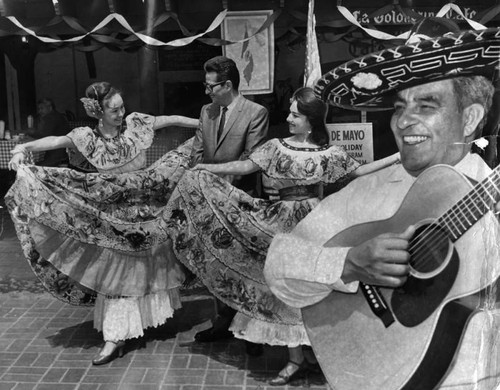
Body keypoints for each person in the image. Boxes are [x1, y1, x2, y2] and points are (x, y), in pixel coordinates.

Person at [264, 18, 500, 390]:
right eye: (399, 106)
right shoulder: (369, 191)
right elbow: (278, 264)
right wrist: (347, 263)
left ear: (470, 118)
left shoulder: (490, 193)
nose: (404, 121)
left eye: (426, 105)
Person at [164, 87, 400, 385]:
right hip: (283, 221)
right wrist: (208, 168)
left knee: (315, 286)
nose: (288, 118)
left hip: (317, 223)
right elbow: (247, 165)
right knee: (285, 286)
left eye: (295, 115)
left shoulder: (328, 153)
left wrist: (396, 157)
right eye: (290, 112)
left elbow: (358, 171)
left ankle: (313, 353)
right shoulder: (276, 146)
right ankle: (295, 360)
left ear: (311, 120)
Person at [7, 81, 199, 365]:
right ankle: (114, 336)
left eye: (122, 107)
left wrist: (204, 121)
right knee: (116, 275)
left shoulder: (136, 124)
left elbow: (169, 120)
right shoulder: (87, 137)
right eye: (114, 110)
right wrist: (23, 147)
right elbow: (56, 141)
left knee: (145, 266)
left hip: (146, 210)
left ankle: (140, 324)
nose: (121, 113)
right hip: (111, 217)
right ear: (98, 112)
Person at [188, 55, 269, 346]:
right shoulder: (206, 111)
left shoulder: (256, 112)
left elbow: (251, 159)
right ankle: (222, 320)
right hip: (209, 202)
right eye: (206, 86)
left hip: (241, 203)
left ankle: (252, 330)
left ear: (228, 85)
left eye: (211, 87)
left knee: (246, 267)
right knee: (215, 265)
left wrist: (221, 190)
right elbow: (197, 156)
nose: (207, 92)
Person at [26, 98, 71, 167]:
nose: (40, 111)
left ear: (50, 108)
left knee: (31, 165)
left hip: (57, 154)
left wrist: (31, 132)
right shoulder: (57, 115)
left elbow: (44, 135)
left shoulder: (50, 117)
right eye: (39, 109)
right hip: (64, 152)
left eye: (42, 108)